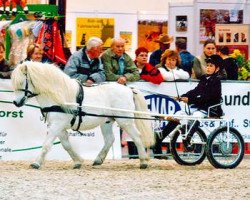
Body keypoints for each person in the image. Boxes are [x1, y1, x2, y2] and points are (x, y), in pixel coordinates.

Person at [153, 54, 224, 158]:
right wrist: (183, 96)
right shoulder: (204, 78)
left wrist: (190, 99)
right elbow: (196, 91)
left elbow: (208, 97)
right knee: (178, 115)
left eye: (211, 66)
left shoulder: (216, 80)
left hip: (209, 108)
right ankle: (160, 138)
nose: (208, 68)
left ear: (217, 69)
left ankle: (188, 138)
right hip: (199, 106)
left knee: (196, 115)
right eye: (207, 65)